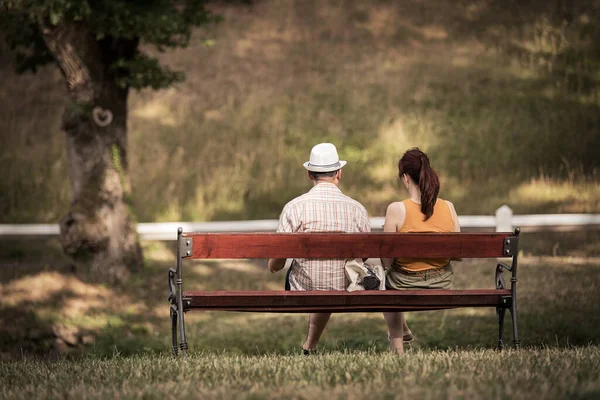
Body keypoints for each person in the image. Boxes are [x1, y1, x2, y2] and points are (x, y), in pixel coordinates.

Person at [268, 142, 371, 354]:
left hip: (304, 287)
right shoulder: (356, 209)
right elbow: (365, 255)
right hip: (345, 286)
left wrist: (273, 266)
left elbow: (278, 259)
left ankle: (309, 346)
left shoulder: (295, 207)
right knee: (329, 278)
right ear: (339, 173)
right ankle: (310, 346)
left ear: (309, 174)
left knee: (312, 277)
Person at [381, 148, 460, 354]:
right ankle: (403, 332)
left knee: (382, 282)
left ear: (406, 178)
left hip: (403, 283)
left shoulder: (397, 209)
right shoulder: (448, 207)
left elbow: (387, 262)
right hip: (442, 282)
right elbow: (457, 253)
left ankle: (397, 348)